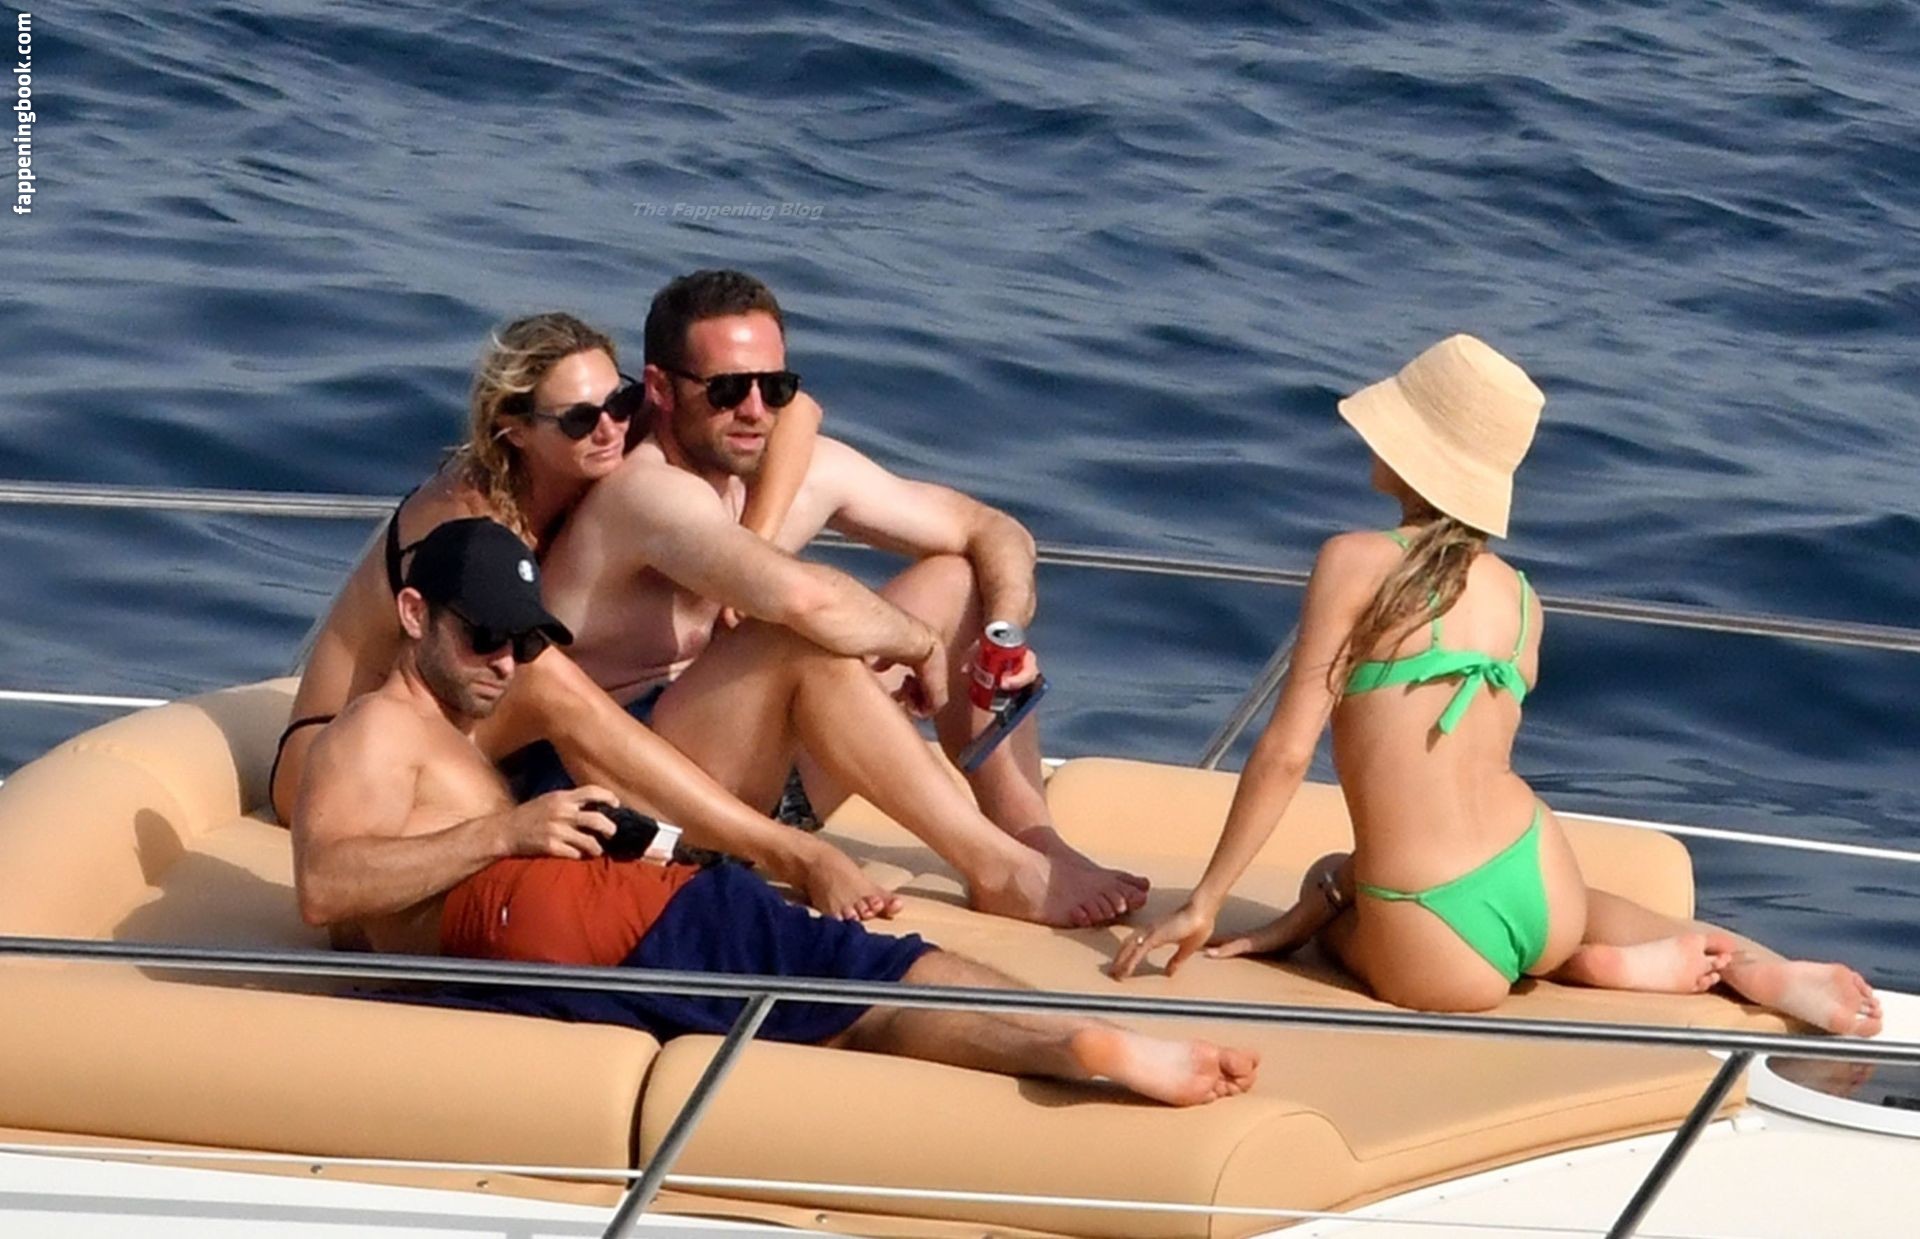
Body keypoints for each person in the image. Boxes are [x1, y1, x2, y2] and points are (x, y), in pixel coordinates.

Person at [291, 517, 1260, 1107]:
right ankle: (1077, 1040)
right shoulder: (374, 730)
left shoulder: (438, 726)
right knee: (856, 978)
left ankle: (1076, 1038)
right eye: (484, 639)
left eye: (523, 641)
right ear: (412, 615)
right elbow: (325, 884)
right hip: (570, 914)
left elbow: (370, 906)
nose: (507, 663)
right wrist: (506, 831)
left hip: (556, 931)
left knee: (834, 998)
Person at [1109, 335, 1883, 1039]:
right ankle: (1728, 962)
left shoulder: (1355, 560)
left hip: (1435, 927)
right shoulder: (1520, 598)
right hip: (1539, 872)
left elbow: (1285, 754)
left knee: (1328, 886)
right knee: (1555, 906)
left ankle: (1588, 964)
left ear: (1417, 452)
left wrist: (1206, 899)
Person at [535, 269, 1149, 928]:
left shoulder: (789, 473)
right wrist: (919, 645)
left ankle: (1031, 839)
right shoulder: (646, 495)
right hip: (636, 804)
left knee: (958, 580)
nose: (754, 411)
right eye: (726, 390)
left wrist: (1004, 631)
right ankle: (997, 869)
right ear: (660, 388)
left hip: (757, 773)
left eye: (774, 388)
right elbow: (803, 600)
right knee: (791, 636)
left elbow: (994, 530)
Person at [271, 311, 899, 923]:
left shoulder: (599, 440)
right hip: (339, 758)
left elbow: (799, 412)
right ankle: (781, 849)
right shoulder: (467, 520)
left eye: (619, 404)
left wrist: (755, 539)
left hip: (464, 724)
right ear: (515, 429)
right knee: (546, 678)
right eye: (579, 419)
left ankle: (716, 842)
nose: (609, 430)